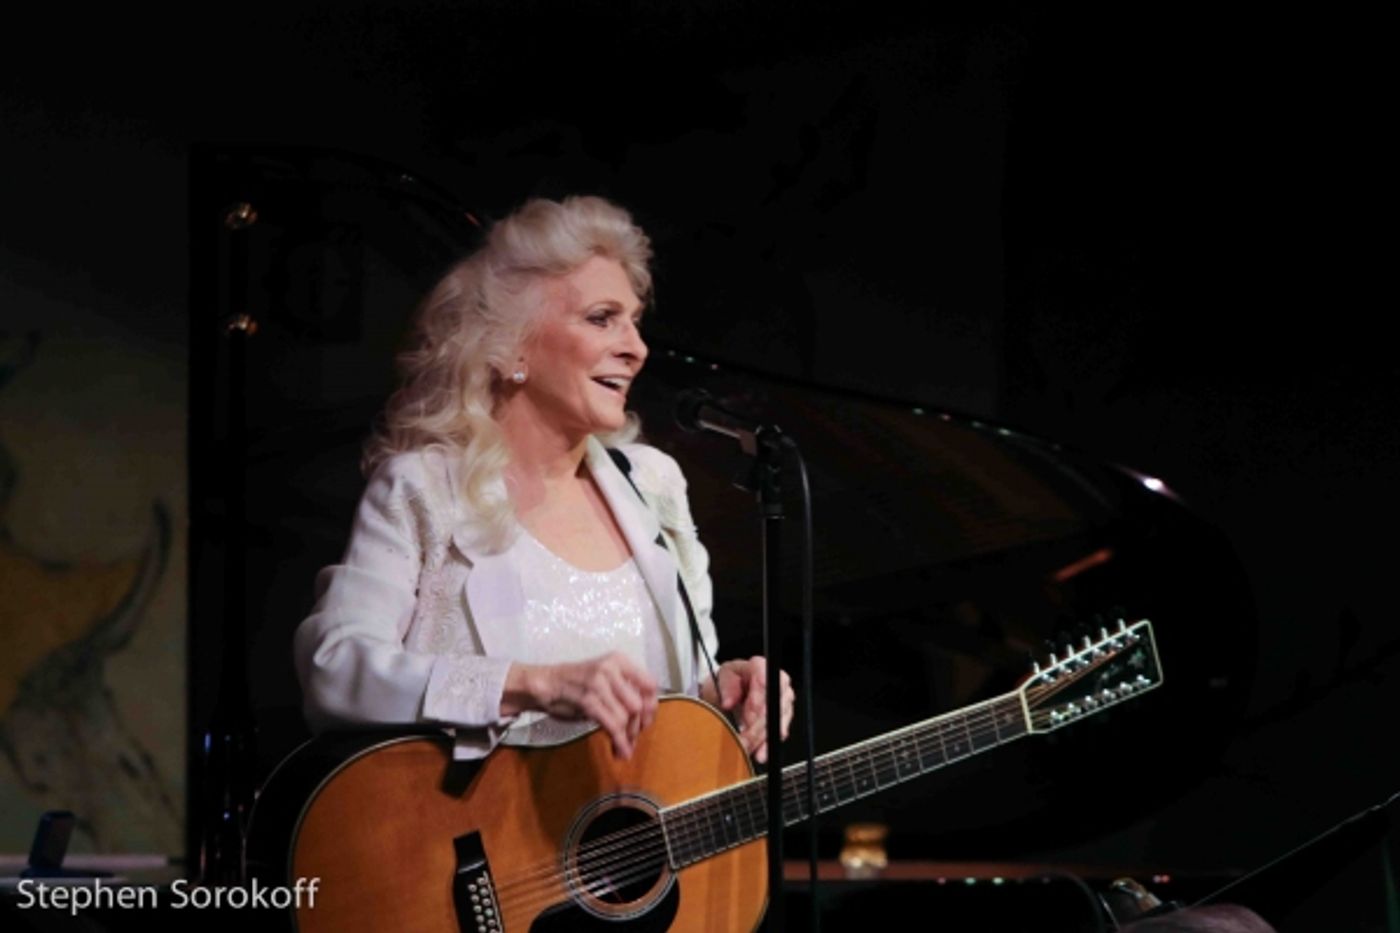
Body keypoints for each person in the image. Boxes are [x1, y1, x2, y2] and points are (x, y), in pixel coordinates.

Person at [293, 194, 793, 764]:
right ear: (511, 346)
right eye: (602, 318)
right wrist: (530, 685)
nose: (636, 348)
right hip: (480, 846)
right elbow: (333, 671)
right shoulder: (424, 490)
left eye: (634, 322)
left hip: (628, 846)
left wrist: (721, 694)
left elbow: (672, 697)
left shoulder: (654, 486)